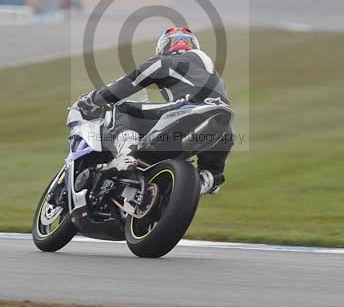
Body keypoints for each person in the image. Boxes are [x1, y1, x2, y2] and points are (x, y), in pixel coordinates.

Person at [75, 26, 231, 195]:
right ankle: (203, 182)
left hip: (190, 111)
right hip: (224, 126)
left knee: (122, 109)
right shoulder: (211, 72)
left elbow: (128, 83)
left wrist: (93, 99)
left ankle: (125, 155)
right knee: (212, 174)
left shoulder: (164, 62)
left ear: (164, 47)